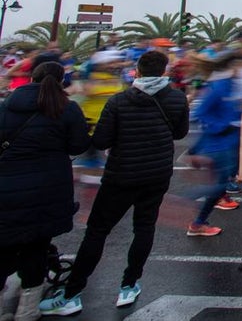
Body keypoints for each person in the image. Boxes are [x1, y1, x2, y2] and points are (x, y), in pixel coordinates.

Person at [39, 51, 189, 316]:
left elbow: (101, 141)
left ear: (138, 72)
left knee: (98, 231)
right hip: (157, 173)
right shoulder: (177, 98)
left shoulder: (119, 100)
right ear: (164, 71)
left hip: (121, 174)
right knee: (144, 227)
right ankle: (130, 284)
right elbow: (180, 132)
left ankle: (73, 292)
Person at [0, 61, 90, 321]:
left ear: (30, 78)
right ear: (62, 81)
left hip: (6, 189)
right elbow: (78, 146)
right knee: (36, 248)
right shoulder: (66, 108)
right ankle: (27, 311)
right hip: (47, 190)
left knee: (3, 247)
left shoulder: (6, 108)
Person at [187, 51, 242, 236]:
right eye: (241, 66)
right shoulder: (219, 87)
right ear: (231, 67)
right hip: (219, 145)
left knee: (224, 183)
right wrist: (222, 127)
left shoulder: (234, 87)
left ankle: (198, 221)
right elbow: (198, 114)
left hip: (231, 143)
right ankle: (188, 209)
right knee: (219, 186)